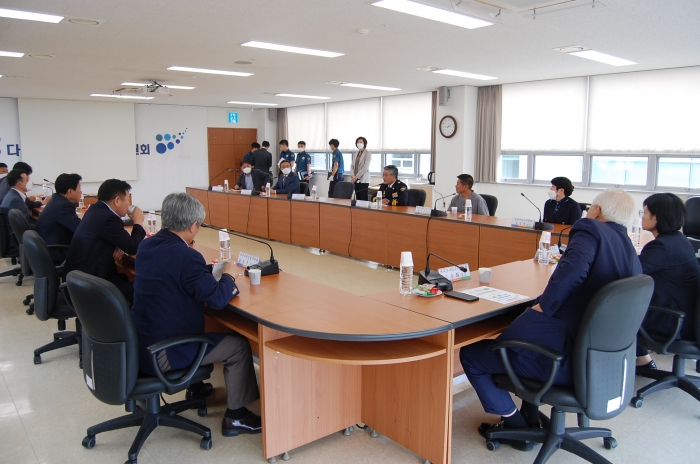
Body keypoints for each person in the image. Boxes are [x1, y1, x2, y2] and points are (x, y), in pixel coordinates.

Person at [460, 189, 642, 450]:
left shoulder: (590, 229)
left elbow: (573, 271)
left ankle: (516, 427)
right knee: (528, 339)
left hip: (563, 361)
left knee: (472, 355)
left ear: (597, 211)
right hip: (597, 365)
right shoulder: (628, 249)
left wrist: (544, 306)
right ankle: (529, 415)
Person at [131, 192, 261, 437]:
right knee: (238, 346)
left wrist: (208, 271)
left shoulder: (147, 246)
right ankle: (236, 417)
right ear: (192, 226)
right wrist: (229, 275)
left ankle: (195, 387)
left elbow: (176, 275)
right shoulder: (187, 256)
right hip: (164, 353)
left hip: (139, 345)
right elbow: (217, 300)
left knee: (196, 323)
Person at [636, 193, 700, 370]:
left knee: (616, 307)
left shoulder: (662, 246)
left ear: (656, 218)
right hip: (687, 318)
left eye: (645, 213)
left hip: (673, 321)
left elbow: (631, 271)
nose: (642, 217)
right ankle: (642, 358)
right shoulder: (679, 240)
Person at [64, 179, 146, 302]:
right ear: (117, 200)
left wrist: (117, 244)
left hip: (79, 279)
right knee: (147, 289)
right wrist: (138, 222)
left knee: (126, 276)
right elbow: (133, 247)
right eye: (128, 199)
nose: (129, 204)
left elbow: (103, 237)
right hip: (92, 285)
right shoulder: (108, 218)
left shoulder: (96, 209)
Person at [35, 173, 82, 265]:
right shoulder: (64, 205)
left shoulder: (56, 200)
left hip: (46, 247)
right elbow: (80, 229)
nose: (81, 192)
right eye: (79, 188)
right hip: (56, 252)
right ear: (70, 191)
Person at [0, 170, 37, 249]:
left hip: (16, 237)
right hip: (17, 241)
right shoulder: (15, 200)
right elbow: (24, 226)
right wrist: (43, 226)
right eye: (27, 180)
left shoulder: (12, 195)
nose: (29, 182)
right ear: (19, 184)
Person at [351, 137, 372, 201]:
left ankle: (363, 208)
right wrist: (353, 175)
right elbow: (352, 166)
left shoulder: (367, 153)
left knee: (363, 198)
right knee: (357, 197)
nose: (359, 143)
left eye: (361, 142)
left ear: (364, 143)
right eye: (358, 142)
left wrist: (357, 176)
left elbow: (365, 167)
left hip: (363, 179)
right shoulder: (356, 153)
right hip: (355, 179)